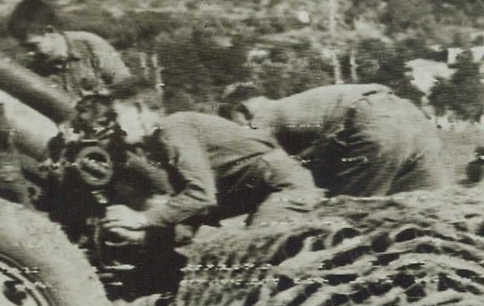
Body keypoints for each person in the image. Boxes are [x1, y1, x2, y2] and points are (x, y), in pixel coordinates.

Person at [100, 81, 323, 244]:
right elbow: (192, 218)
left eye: (115, 115)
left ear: (139, 109)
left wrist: (141, 218)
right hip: (273, 191)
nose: (113, 126)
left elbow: (201, 197)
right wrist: (143, 235)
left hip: (284, 188)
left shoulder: (174, 127)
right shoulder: (158, 145)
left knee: (257, 253)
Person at [218, 82, 451, 197]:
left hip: (374, 122)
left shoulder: (263, 116)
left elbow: (255, 167)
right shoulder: (299, 106)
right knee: (426, 208)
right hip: (411, 116)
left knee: (353, 220)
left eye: (231, 121)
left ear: (242, 108)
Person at [6, 0, 132, 99]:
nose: (30, 53)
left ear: (50, 31)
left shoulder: (90, 45)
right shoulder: (34, 67)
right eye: (25, 47)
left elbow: (124, 84)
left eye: (34, 45)